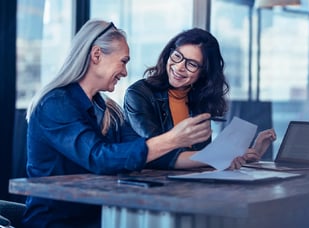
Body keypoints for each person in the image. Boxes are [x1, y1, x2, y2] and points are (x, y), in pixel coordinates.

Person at [23, 20, 213, 228]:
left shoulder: (109, 110)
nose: (124, 72)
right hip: (56, 223)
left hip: (99, 218)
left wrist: (219, 159)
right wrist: (173, 138)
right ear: (96, 55)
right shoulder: (56, 104)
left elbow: (148, 153)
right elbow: (99, 157)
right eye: (123, 61)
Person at [124, 28, 276, 170]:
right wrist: (219, 157)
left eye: (192, 64)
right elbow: (157, 151)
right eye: (177, 56)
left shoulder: (200, 99)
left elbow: (202, 156)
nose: (179, 67)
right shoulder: (139, 94)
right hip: (153, 185)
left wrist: (249, 153)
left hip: (191, 184)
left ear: (204, 72)